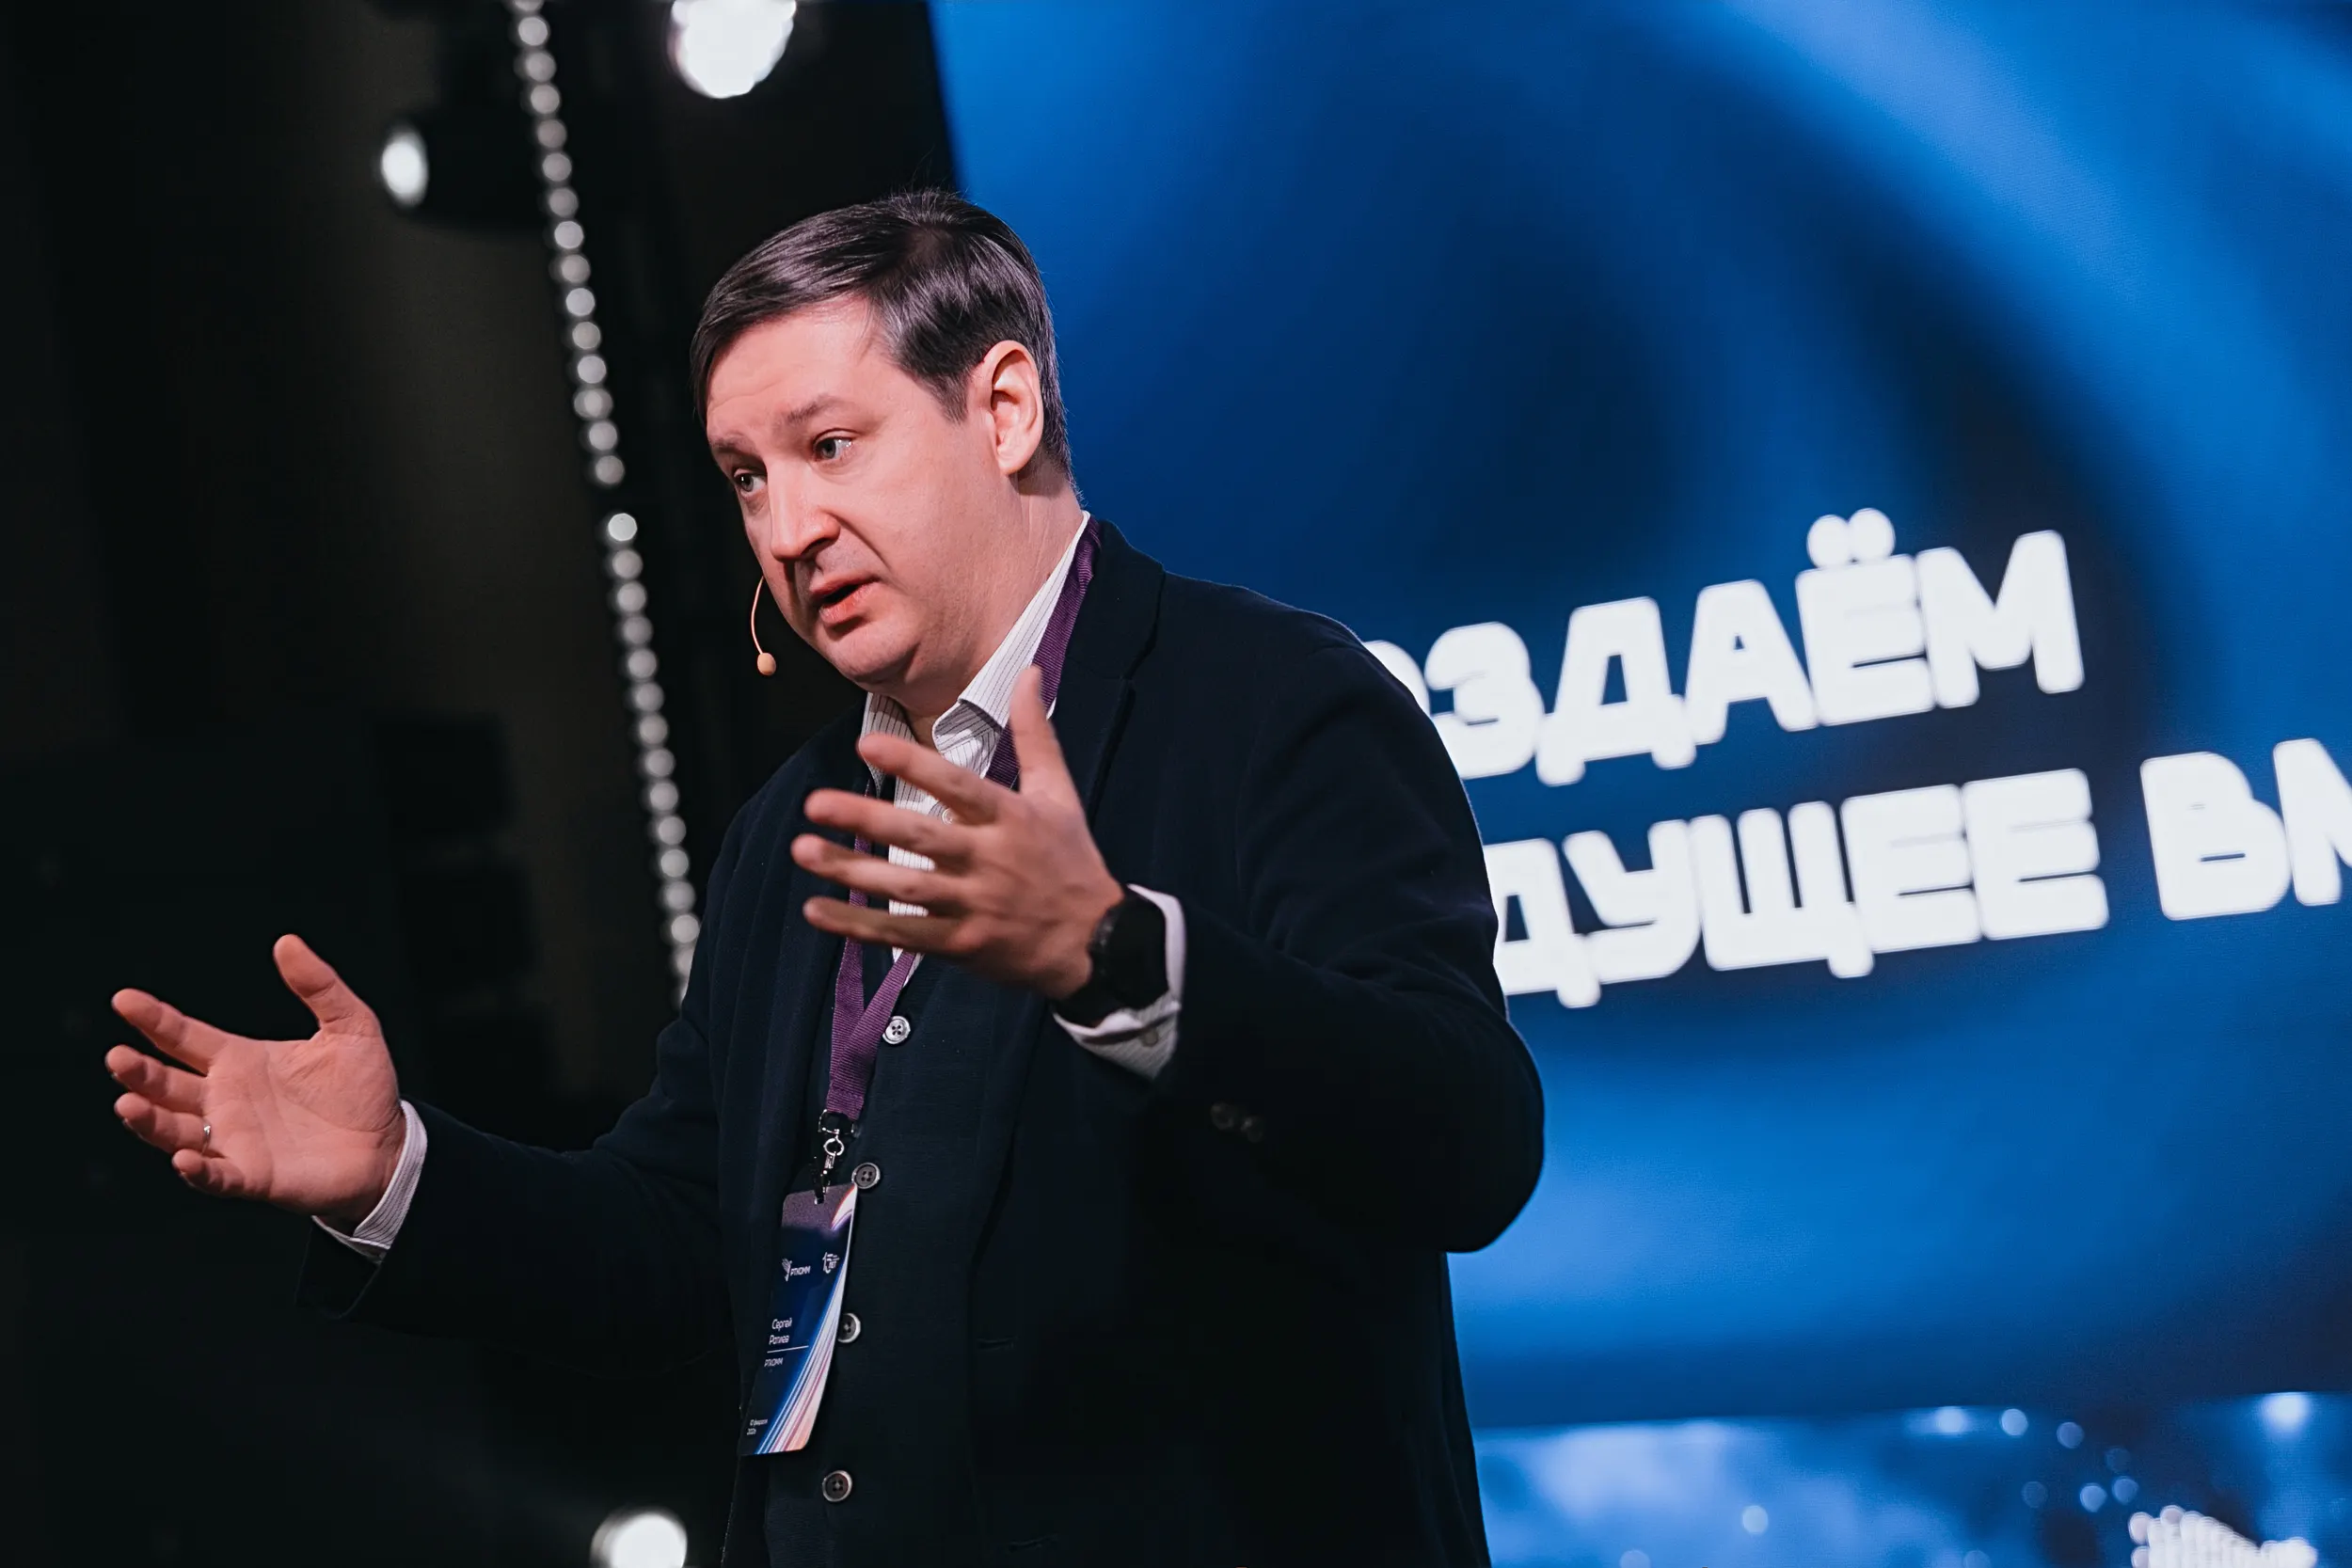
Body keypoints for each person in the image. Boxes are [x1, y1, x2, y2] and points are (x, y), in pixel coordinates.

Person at [103, 191, 1544, 1567]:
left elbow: (1469, 1137)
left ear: (1003, 408)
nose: (786, 529)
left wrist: (1120, 959)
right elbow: (680, 1235)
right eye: (748, 477)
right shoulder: (789, 826)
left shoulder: (1271, 702)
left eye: (831, 445)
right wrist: (397, 1174)